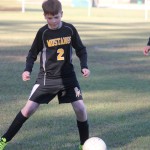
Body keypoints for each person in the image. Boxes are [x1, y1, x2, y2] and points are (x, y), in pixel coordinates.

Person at [0, 0, 90, 149]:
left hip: (68, 78)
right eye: (49, 18)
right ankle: (3, 140)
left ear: (61, 14)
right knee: (28, 109)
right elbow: (32, 53)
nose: (53, 21)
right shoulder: (43, 33)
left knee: (80, 108)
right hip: (47, 78)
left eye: (56, 17)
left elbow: (81, 49)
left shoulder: (70, 29)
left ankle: (84, 144)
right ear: (44, 16)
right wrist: (27, 70)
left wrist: (84, 66)